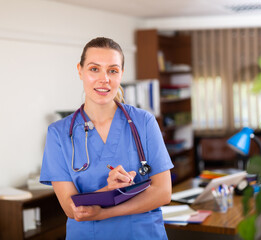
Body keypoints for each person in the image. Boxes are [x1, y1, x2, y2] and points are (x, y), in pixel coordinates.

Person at [40, 37, 174, 239]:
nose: (104, 79)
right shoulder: (58, 133)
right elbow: (71, 207)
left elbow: (163, 192)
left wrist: (105, 212)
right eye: (94, 69)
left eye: (113, 70)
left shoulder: (144, 122)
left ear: (121, 74)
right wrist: (108, 189)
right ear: (80, 70)